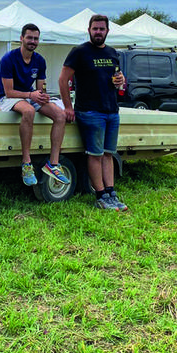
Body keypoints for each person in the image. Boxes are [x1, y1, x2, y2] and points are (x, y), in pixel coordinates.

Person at [59, 14, 128, 211]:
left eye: (102, 29)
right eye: (95, 28)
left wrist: (121, 80)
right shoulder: (79, 52)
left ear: (107, 31)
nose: (98, 32)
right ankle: (100, 196)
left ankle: (111, 193)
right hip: (90, 111)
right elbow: (63, 80)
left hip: (112, 111)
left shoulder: (113, 52)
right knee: (95, 154)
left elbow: (118, 81)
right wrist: (68, 106)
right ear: (89, 30)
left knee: (108, 154)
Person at [0, 24, 69, 186]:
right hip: (9, 98)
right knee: (29, 111)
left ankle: (53, 164)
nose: (33, 41)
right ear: (21, 38)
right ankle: (26, 163)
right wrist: (32, 95)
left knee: (60, 115)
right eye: (29, 37)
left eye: (36, 38)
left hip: (30, 95)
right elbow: (9, 92)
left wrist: (43, 96)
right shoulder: (8, 59)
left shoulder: (40, 60)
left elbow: (40, 88)